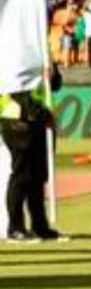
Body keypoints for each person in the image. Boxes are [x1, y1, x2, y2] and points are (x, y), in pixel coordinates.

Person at [1, 65, 62, 244]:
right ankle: (15, 228)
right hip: (16, 120)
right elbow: (18, 91)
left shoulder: (40, 53)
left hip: (38, 120)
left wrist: (52, 74)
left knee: (37, 176)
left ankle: (39, 225)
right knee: (21, 175)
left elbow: (56, 85)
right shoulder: (12, 58)